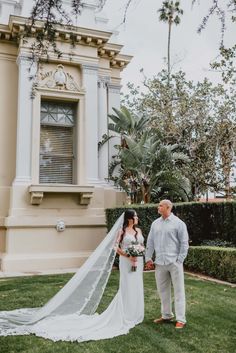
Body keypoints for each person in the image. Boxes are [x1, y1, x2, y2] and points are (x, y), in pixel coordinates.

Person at [0, 209, 144, 342]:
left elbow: (141, 245)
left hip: (138, 262)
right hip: (127, 261)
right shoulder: (122, 231)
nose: (137, 218)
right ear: (130, 218)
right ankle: (125, 313)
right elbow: (114, 246)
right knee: (126, 286)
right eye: (135, 216)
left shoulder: (138, 230)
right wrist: (127, 255)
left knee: (137, 286)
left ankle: (135, 312)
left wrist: (139, 252)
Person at [145, 200, 189, 329]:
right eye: (158, 205)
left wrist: (179, 260)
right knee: (162, 290)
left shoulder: (179, 224)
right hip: (160, 263)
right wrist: (148, 258)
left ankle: (181, 319)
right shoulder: (155, 224)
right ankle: (166, 315)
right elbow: (150, 242)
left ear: (168, 207)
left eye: (160, 205)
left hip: (174, 263)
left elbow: (184, 243)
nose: (158, 207)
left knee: (179, 291)